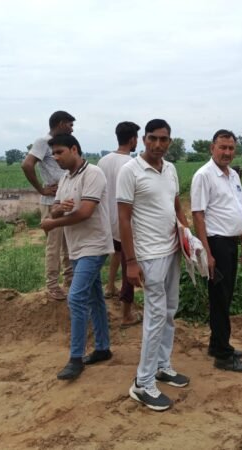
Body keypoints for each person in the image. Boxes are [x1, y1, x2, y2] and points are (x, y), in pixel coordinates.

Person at [118, 119, 190, 411]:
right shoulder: (130, 171)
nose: (158, 144)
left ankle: (162, 366)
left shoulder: (170, 169)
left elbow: (175, 206)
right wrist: (130, 262)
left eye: (163, 139)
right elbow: (123, 219)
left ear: (170, 141)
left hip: (172, 250)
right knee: (155, 315)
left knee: (170, 310)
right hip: (148, 255)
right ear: (143, 139)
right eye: (152, 138)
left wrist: (186, 237)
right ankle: (143, 382)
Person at [40, 134, 113, 381]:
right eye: (53, 154)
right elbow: (56, 208)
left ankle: (75, 358)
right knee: (94, 298)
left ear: (74, 149)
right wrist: (57, 210)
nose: (56, 157)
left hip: (94, 245)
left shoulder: (93, 174)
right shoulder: (65, 178)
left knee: (76, 297)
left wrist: (52, 223)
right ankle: (102, 348)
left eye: (59, 152)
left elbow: (85, 213)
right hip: (76, 247)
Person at [191, 129, 242, 373]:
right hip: (216, 243)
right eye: (222, 147)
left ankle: (216, 345)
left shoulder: (233, 175)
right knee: (219, 298)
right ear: (212, 148)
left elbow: (238, 209)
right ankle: (223, 355)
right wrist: (207, 254)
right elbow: (198, 215)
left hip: (231, 243)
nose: (227, 152)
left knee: (225, 297)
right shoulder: (204, 175)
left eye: (231, 148)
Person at [22, 111, 75, 301]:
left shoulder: (62, 143)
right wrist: (41, 190)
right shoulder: (43, 142)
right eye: (69, 125)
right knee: (54, 245)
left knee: (69, 244)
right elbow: (27, 165)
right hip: (52, 202)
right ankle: (52, 286)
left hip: (66, 201)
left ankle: (70, 282)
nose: (72, 129)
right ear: (60, 124)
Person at [97, 121, 142, 328]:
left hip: (106, 220)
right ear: (133, 139)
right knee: (129, 265)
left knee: (115, 253)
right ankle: (126, 314)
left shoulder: (103, 161)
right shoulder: (132, 164)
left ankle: (108, 287)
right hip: (125, 222)